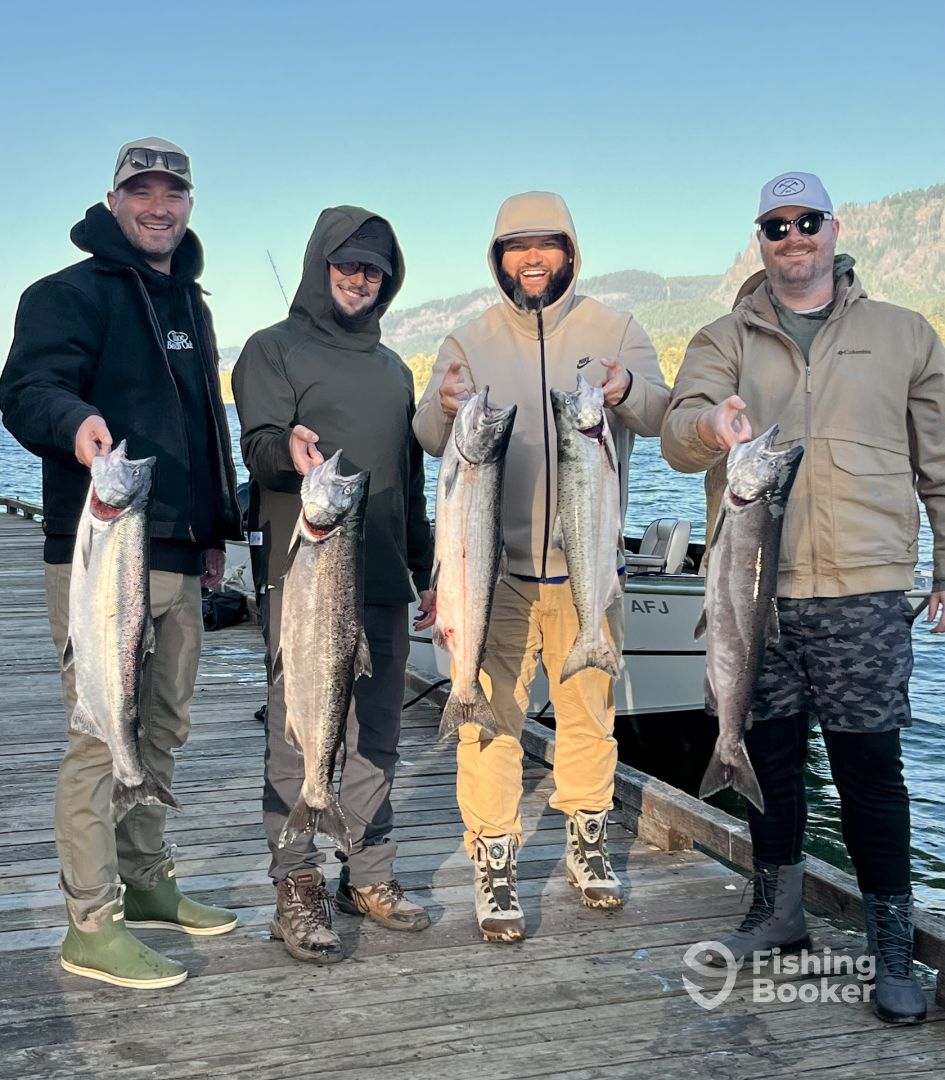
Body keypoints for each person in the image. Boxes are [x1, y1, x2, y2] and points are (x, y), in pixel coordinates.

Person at [662, 170, 945, 1024]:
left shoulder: (904, 333)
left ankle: (890, 944)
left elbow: (937, 459)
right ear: (759, 240)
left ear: (833, 229)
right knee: (767, 759)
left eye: (806, 221)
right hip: (753, 595)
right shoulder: (720, 337)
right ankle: (777, 911)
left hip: (864, 589)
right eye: (775, 226)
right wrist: (709, 426)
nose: (793, 238)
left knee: (869, 771)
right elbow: (677, 435)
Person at [0, 137, 243, 989]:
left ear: (189, 203)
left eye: (173, 192)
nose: (158, 206)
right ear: (114, 202)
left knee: (164, 727)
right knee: (103, 734)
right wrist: (74, 424)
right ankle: (91, 921)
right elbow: (26, 391)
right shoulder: (67, 294)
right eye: (141, 192)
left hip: (176, 551)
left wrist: (216, 530)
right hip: (99, 552)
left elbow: (204, 431)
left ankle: (145, 881)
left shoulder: (191, 305)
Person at [413, 191, 670, 941]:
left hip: (587, 576)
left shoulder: (614, 329)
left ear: (569, 252)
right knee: (489, 723)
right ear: (498, 258)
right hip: (493, 577)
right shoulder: (466, 339)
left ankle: (587, 840)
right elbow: (427, 433)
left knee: (590, 717)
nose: (532, 258)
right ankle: (493, 857)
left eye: (546, 244)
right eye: (516, 246)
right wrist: (444, 403)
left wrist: (626, 390)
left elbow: (662, 414)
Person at [233, 207, 435, 965]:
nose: (360, 278)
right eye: (347, 263)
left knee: (377, 735)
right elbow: (257, 446)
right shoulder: (271, 349)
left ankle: (369, 875)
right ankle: (297, 882)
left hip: (380, 580)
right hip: (304, 580)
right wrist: (286, 449)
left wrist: (426, 571)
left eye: (374, 269)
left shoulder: (395, 369)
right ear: (321, 265)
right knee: (299, 734)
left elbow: (410, 484)